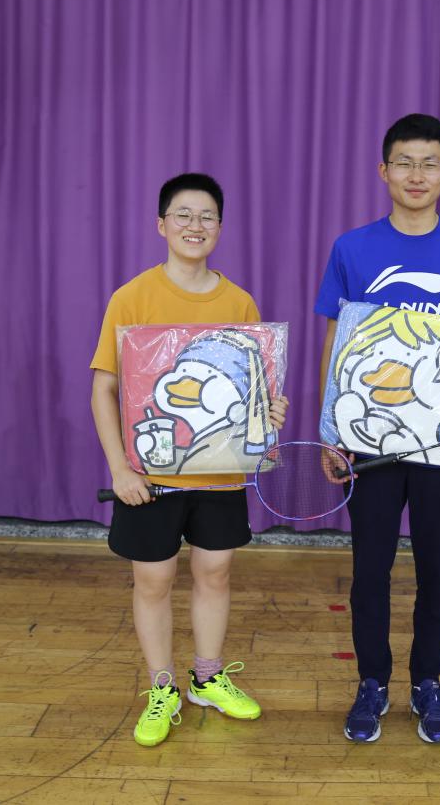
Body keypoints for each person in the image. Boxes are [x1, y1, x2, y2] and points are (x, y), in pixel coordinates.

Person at [314, 114, 440, 743]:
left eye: (429, 163)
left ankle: (428, 682)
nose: (416, 174)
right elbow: (336, 341)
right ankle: (372, 682)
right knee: (369, 569)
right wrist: (330, 427)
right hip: (368, 442)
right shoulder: (352, 248)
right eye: (404, 162)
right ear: (384, 171)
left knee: (438, 573)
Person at [90, 172, 288, 748]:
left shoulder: (239, 302)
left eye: (206, 217)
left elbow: (256, 390)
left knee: (215, 572)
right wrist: (119, 469)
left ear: (220, 228)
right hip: (149, 478)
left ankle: (206, 677)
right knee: (153, 579)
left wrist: (270, 410)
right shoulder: (131, 297)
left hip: (221, 475)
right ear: (161, 224)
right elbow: (103, 389)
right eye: (183, 214)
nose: (194, 225)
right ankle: (162, 687)